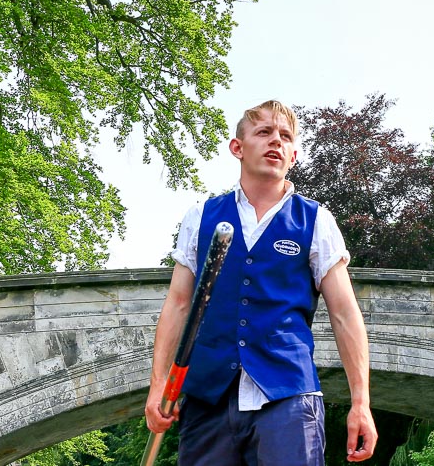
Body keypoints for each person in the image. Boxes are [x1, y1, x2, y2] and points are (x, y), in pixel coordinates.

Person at [144, 100, 377, 465]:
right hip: (208, 400)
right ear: (238, 147)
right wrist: (159, 383)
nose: (276, 142)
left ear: (294, 155)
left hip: (288, 399)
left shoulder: (316, 221)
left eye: (285, 136)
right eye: (264, 132)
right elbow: (178, 305)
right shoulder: (201, 217)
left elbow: (346, 314)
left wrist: (360, 402)